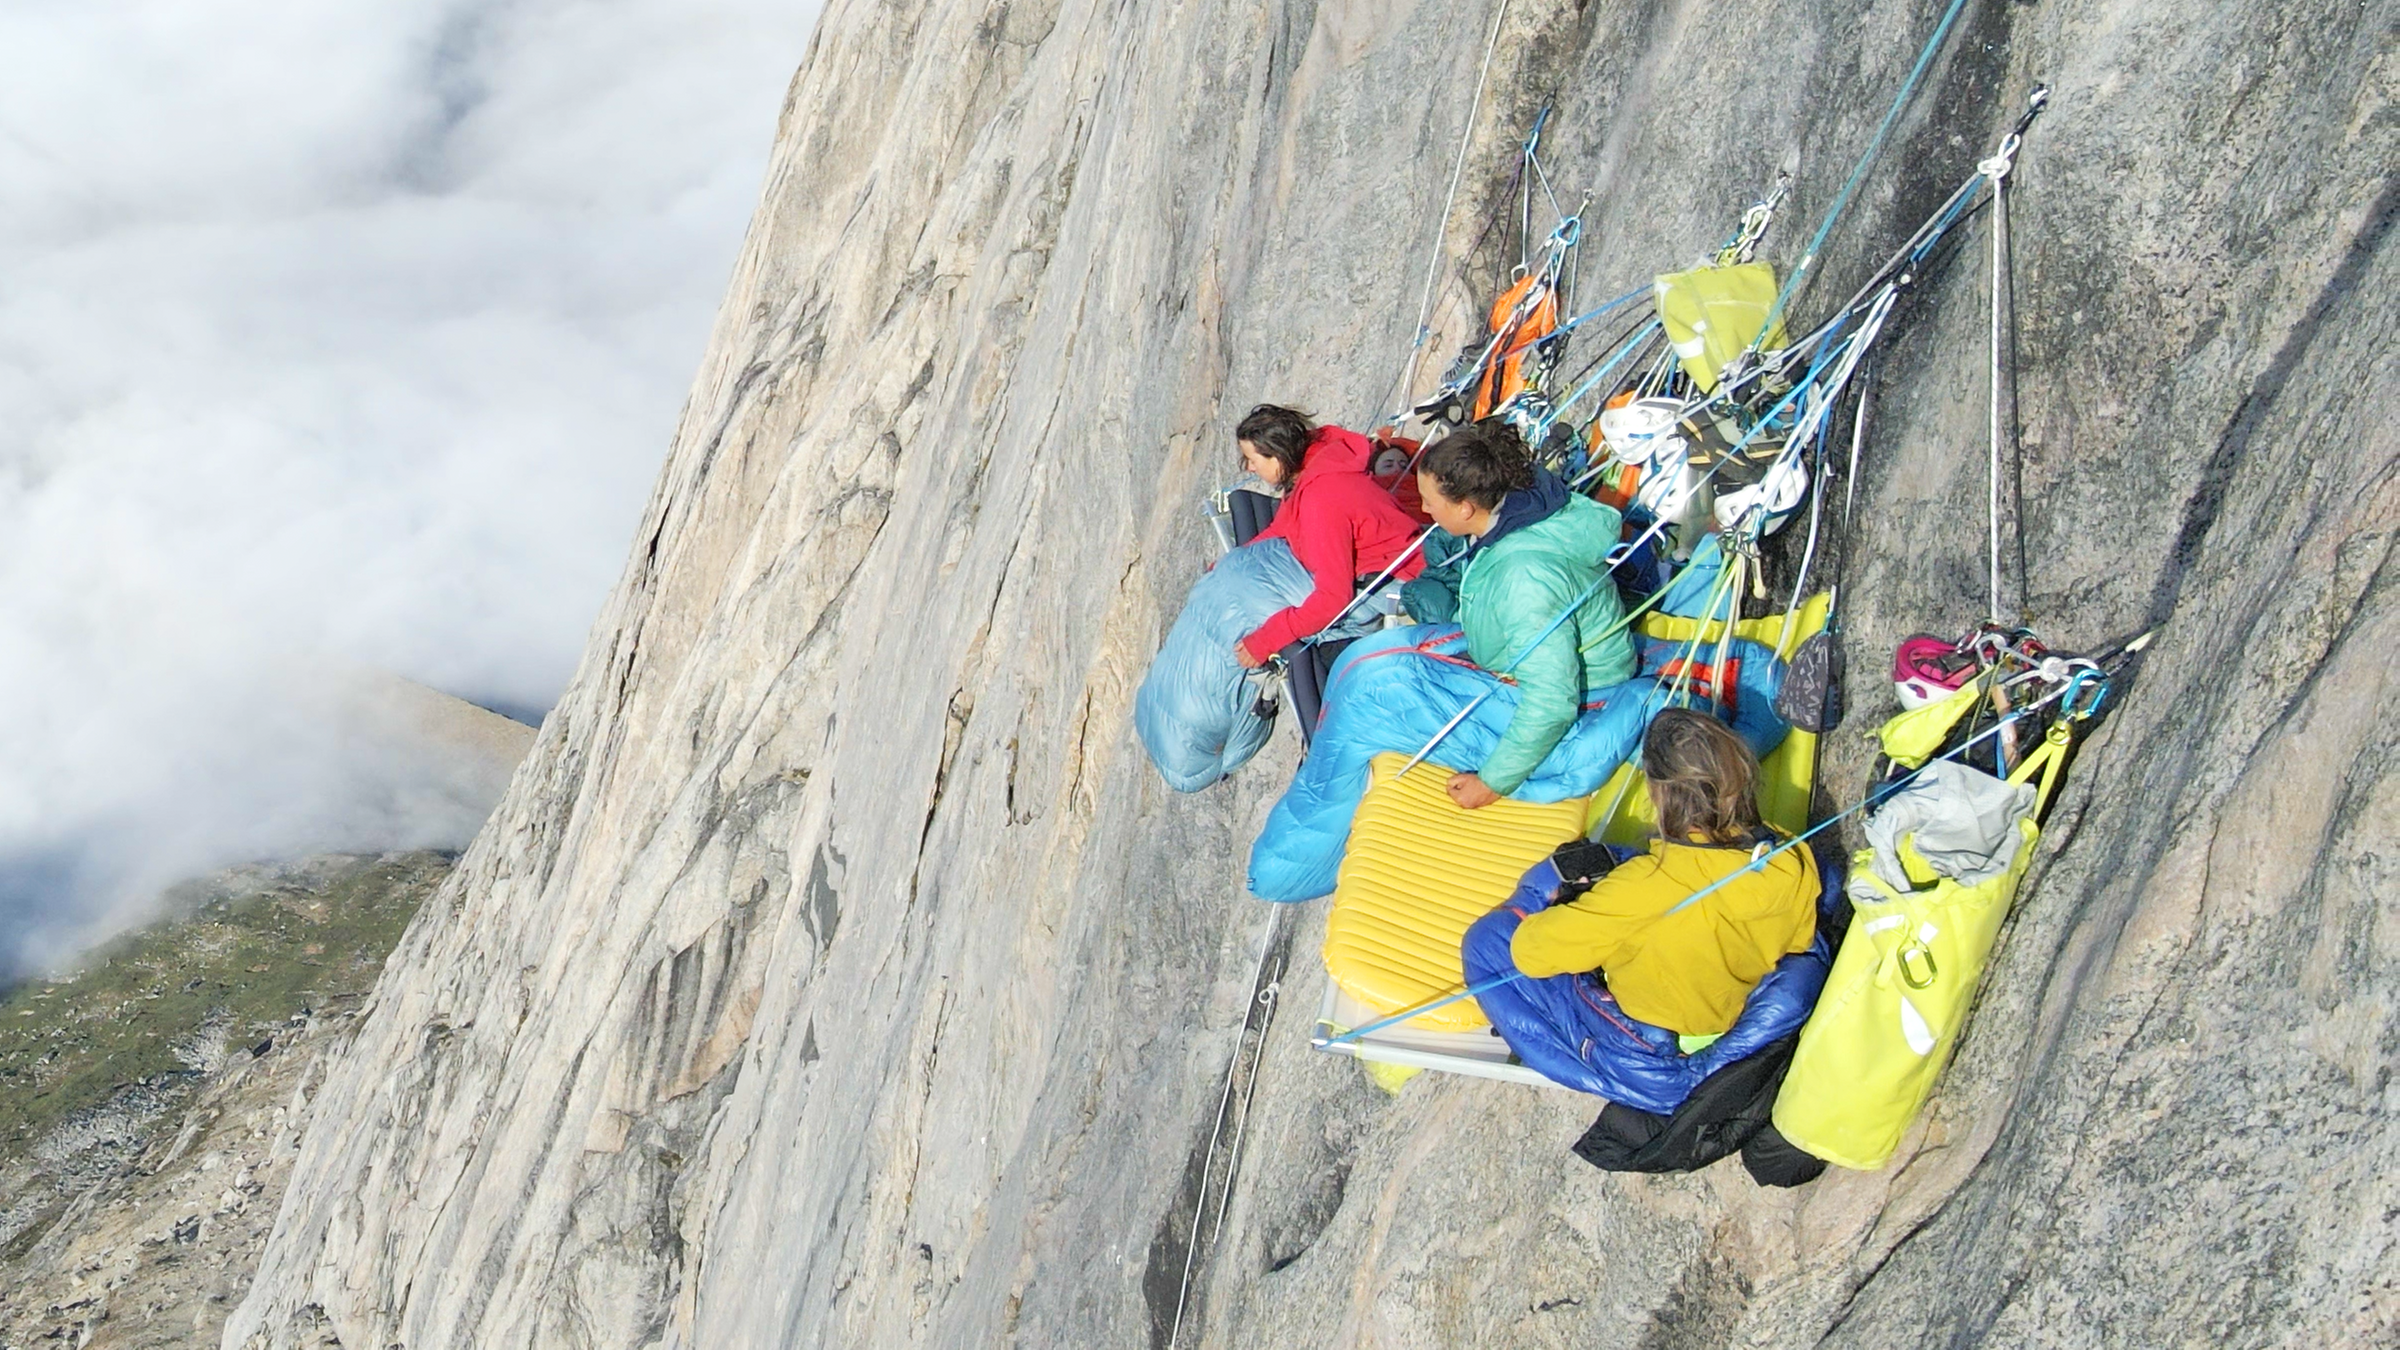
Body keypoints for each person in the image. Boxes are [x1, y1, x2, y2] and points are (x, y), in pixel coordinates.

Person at [1508, 709, 1819, 1037]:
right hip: (1735, 1015)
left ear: (1659, 794)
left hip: (1650, 1027)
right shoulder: (1791, 857)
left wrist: (1562, 905)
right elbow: (1799, 941)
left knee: (1489, 940)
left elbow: (1529, 955)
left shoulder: (1642, 884)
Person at [1412, 422, 1636, 808]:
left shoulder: (1524, 578)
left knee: (1389, 694)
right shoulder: (1526, 505)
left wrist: (1492, 782)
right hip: (1531, 662)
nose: (1424, 509)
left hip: (1590, 694)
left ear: (1465, 509)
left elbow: (1551, 700)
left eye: (1429, 500)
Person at [1231, 405, 1428, 668]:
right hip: (1395, 565)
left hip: (1397, 585)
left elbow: (1332, 599)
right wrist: (1233, 561)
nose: (1249, 468)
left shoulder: (1320, 502)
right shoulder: (1316, 467)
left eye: (1252, 460)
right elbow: (1282, 527)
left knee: (1320, 643)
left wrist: (1265, 640)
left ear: (1277, 458)